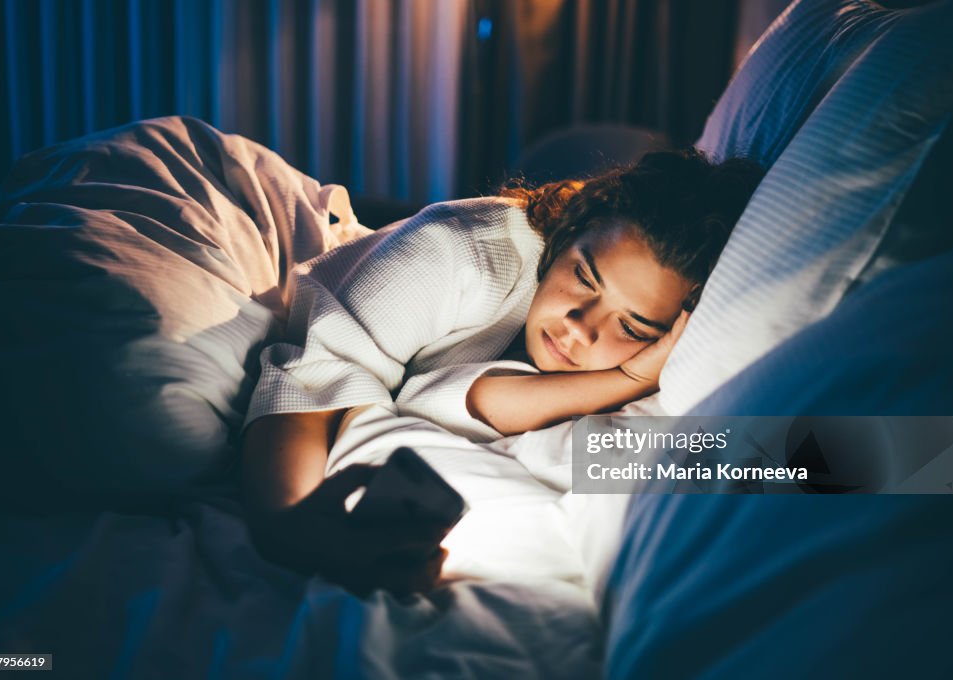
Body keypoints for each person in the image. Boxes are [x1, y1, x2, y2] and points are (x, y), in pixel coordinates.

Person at [241, 149, 764, 596]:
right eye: (584, 277)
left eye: (630, 325)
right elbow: (313, 373)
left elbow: (456, 400)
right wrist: (285, 524)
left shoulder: (654, 400)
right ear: (570, 232)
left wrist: (630, 382)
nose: (579, 326)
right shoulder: (457, 251)